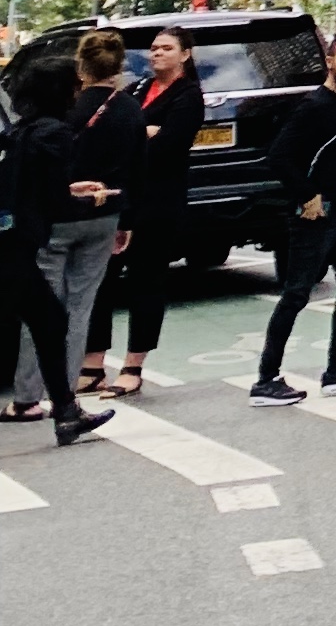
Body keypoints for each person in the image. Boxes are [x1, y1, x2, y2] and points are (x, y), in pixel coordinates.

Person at [247, 29, 336, 405]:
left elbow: (334, 157)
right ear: (329, 61)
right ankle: (266, 380)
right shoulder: (314, 106)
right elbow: (279, 156)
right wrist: (306, 195)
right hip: (314, 212)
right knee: (297, 293)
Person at [83, 23, 205, 400]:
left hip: (159, 204)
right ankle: (92, 364)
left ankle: (133, 366)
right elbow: (123, 136)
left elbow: (167, 147)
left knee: (146, 282)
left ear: (184, 54)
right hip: (124, 198)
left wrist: (145, 136)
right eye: (154, 48)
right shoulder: (136, 90)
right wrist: (143, 132)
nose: (156, 54)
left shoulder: (189, 96)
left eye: (166, 48)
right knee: (101, 280)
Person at [12, 27, 128, 419]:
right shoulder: (55, 134)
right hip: (13, 247)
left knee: (48, 321)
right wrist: (90, 199)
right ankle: (64, 411)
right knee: (51, 321)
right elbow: (54, 204)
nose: (79, 92)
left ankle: (62, 411)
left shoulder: (23, 130)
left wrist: (71, 188)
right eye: (73, 86)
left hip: (13, 242)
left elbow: (29, 185)